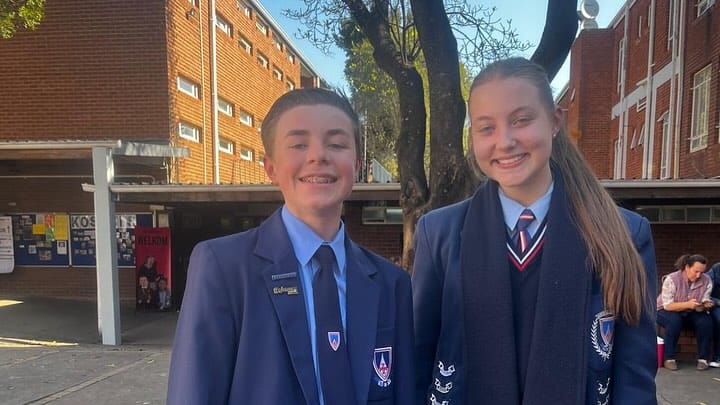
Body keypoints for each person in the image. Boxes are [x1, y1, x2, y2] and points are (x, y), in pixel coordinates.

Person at [412, 57, 657, 404]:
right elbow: (417, 361)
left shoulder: (624, 234)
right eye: (486, 128)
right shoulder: (438, 233)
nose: (504, 141)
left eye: (521, 120)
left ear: (555, 121)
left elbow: (634, 380)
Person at [168, 88, 414, 404]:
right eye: (299, 144)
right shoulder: (224, 268)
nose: (318, 156)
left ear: (356, 165)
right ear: (270, 167)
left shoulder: (392, 284)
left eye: (336, 144)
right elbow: (193, 393)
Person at [656, 254, 713, 370]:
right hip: (664, 310)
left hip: (691, 311)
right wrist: (687, 304)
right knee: (674, 320)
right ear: (687, 267)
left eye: (701, 272)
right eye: (696, 271)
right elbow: (668, 305)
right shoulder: (671, 279)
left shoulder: (707, 280)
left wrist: (704, 305)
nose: (698, 275)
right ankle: (669, 358)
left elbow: (702, 303)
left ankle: (703, 359)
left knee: (706, 321)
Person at [707, 262, 720, 367]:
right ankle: (717, 357)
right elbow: (705, 293)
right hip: (716, 304)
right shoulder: (716, 269)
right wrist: (717, 302)